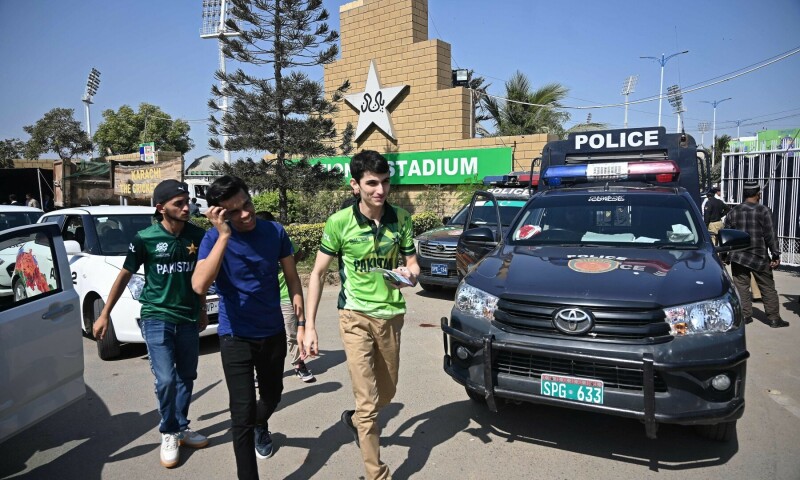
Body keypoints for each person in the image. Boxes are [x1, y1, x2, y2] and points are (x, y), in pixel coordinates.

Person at [303, 150, 420, 480]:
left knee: (389, 391)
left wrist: (410, 275)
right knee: (367, 403)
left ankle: (355, 421)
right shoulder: (339, 223)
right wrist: (308, 326)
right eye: (371, 183)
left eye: (384, 182)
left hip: (392, 316)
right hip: (354, 316)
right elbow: (317, 274)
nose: (380, 191)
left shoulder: (401, 218)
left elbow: (413, 265)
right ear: (355, 185)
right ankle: (375, 473)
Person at [192, 175, 305, 480]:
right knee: (240, 416)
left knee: (272, 396)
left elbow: (293, 278)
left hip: (272, 331)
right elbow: (199, 284)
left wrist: (302, 319)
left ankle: (261, 423)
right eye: (233, 211)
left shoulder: (274, 231)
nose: (245, 214)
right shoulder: (213, 239)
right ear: (219, 214)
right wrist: (224, 235)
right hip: (234, 335)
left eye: (247, 204)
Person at [93, 179, 209, 468]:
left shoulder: (198, 234)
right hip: (156, 317)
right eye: (178, 203)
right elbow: (124, 276)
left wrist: (203, 308)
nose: (186, 207)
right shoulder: (145, 238)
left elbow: (203, 275)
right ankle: (168, 431)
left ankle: (181, 426)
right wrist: (105, 313)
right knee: (167, 379)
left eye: (187, 202)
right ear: (161, 207)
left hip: (188, 317)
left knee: (187, 376)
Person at [255, 211, 315, 383]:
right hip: (263, 298)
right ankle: (262, 371)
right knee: (262, 337)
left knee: (292, 332)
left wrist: (289, 263)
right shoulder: (252, 245)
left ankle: (299, 364)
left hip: (285, 295)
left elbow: (299, 252)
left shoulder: (280, 240)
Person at [724, 180, 788, 328]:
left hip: (738, 256)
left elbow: (726, 235)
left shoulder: (733, 212)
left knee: (741, 287)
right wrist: (775, 254)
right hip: (759, 257)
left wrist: (725, 255)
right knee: (767, 287)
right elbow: (770, 234)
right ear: (758, 194)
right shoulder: (763, 210)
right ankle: (773, 319)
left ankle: (745, 316)